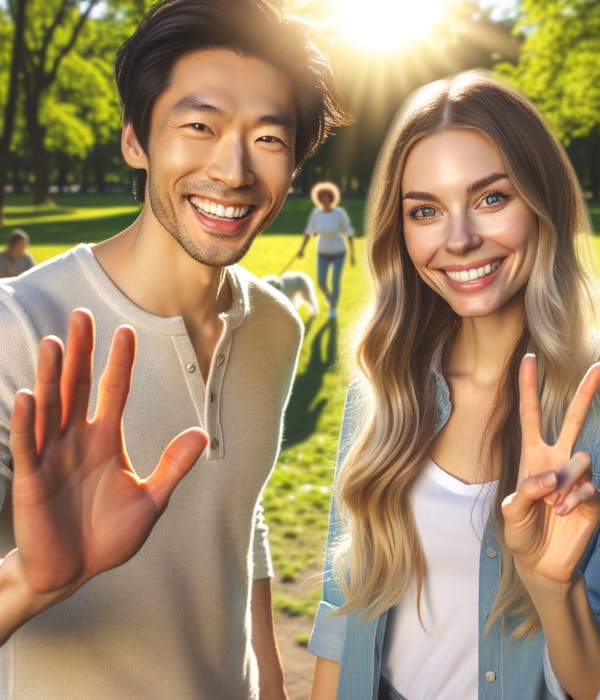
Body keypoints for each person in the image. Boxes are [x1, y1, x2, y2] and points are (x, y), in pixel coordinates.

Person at [0, 0, 349, 697]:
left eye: (270, 140)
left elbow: (237, 514)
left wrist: (270, 685)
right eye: (199, 125)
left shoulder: (277, 326)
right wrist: (30, 583)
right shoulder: (18, 326)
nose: (234, 170)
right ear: (137, 139)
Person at [308, 71, 600, 699]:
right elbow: (340, 610)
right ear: (400, 234)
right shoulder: (384, 382)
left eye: (491, 198)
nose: (458, 239)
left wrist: (554, 588)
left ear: (544, 202)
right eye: (425, 211)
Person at [297, 181, 356, 319]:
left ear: (332, 198)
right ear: (318, 199)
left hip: (339, 252)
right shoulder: (316, 214)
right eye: (322, 197)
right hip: (322, 252)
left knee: (335, 281)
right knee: (322, 282)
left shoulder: (339, 213)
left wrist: (352, 254)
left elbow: (349, 232)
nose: (324, 200)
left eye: (327, 197)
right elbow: (308, 232)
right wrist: (302, 249)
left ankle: (333, 308)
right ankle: (331, 300)